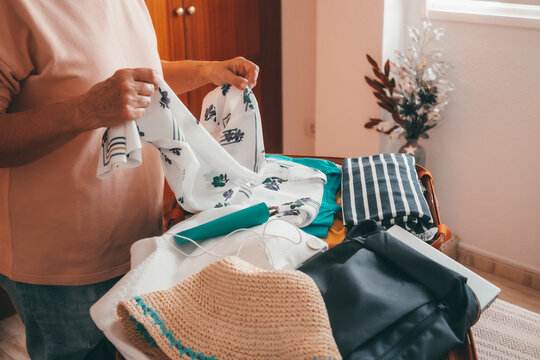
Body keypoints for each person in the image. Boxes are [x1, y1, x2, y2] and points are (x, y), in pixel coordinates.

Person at [0, 1, 259, 359]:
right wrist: (87, 110)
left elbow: (146, 75)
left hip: (138, 245)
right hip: (63, 271)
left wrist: (207, 70)